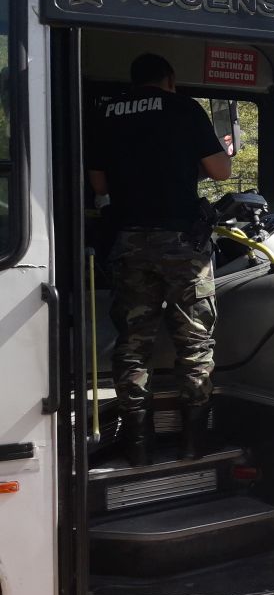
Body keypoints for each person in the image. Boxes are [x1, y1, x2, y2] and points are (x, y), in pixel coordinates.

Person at [87, 53, 231, 466]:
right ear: (169, 79)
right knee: (195, 343)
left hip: (129, 241)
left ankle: (138, 446)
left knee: (133, 344)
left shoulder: (106, 114)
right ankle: (192, 443)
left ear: (134, 81)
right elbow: (221, 171)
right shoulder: (185, 108)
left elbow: (99, 183)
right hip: (182, 244)